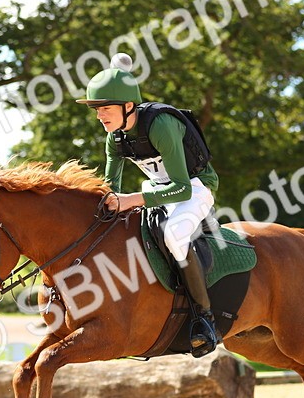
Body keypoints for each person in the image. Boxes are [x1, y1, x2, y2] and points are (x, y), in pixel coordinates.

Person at [76, 53, 221, 357]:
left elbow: (181, 188)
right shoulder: (114, 137)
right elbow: (111, 187)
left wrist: (131, 200)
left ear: (128, 106)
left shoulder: (161, 125)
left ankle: (204, 319)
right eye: (96, 109)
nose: (99, 115)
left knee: (174, 235)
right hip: (155, 189)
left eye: (105, 108)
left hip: (194, 188)